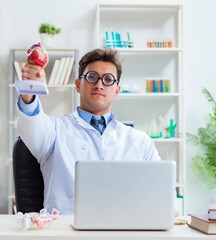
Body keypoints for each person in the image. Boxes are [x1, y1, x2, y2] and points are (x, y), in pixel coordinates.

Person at [17, 48, 161, 214]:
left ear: (117, 91)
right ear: (78, 85)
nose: (99, 85)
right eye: (92, 77)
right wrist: (29, 91)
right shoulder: (54, 130)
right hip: (66, 233)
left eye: (108, 79)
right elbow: (31, 123)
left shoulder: (140, 141)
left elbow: (163, 195)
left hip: (125, 231)